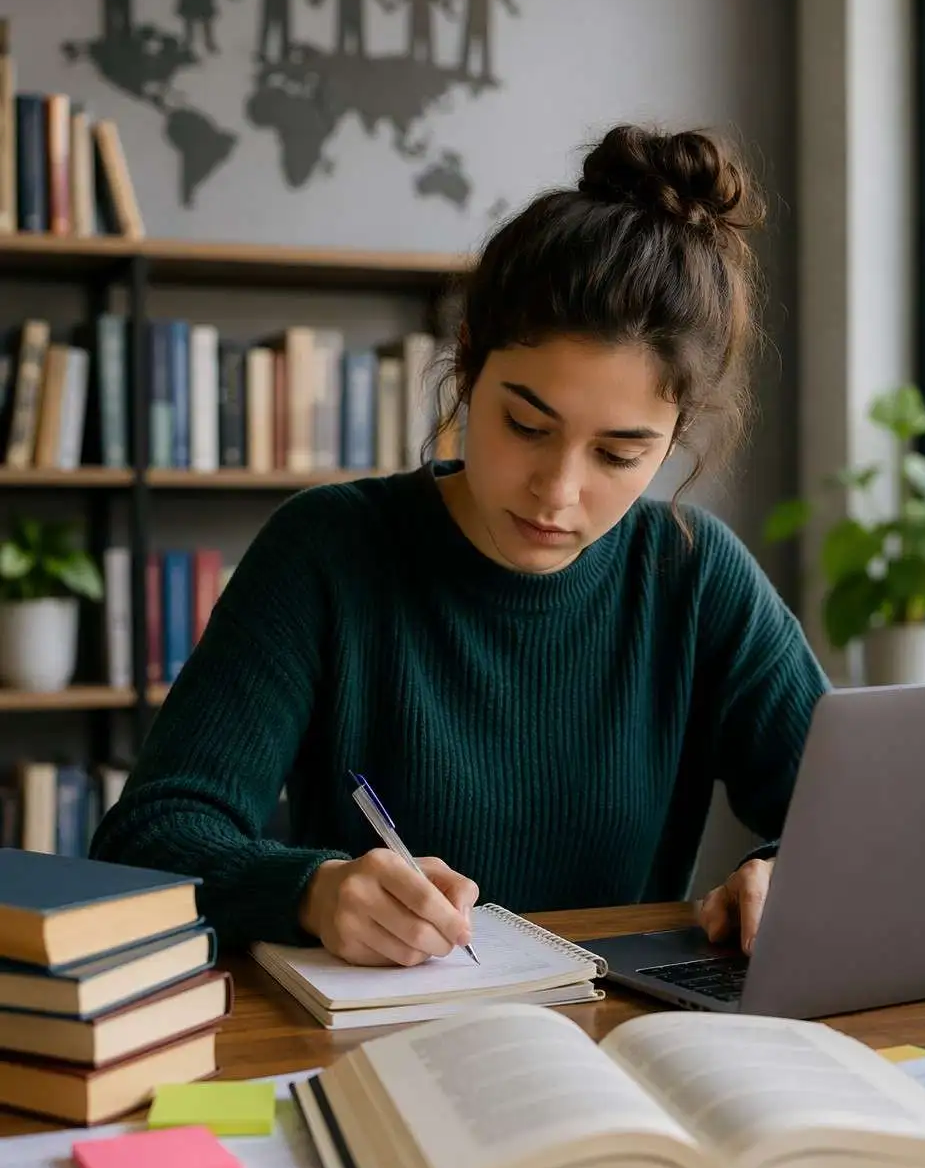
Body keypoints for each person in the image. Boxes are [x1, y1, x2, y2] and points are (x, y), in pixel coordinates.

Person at [90, 124, 830, 965]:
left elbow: (857, 821)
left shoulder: (695, 575)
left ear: (674, 439)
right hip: (380, 1047)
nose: (558, 491)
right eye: (525, 424)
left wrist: (784, 872)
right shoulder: (327, 550)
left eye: (619, 455)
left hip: (616, 1050)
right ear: (468, 367)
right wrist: (312, 891)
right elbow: (148, 838)